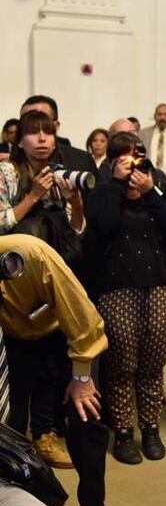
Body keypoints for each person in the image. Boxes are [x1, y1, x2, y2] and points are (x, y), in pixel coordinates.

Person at [0, 233, 114, 506]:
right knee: (9, 426)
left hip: (67, 336)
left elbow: (84, 320)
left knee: (85, 421)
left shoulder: (30, 254)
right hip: (14, 343)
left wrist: (81, 379)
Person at [85, 132, 166, 464]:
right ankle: (124, 431)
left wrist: (149, 191)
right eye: (125, 160)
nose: (133, 166)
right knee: (122, 364)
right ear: (114, 162)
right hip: (117, 291)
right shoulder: (103, 192)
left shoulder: (158, 189)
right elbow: (104, 225)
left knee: (153, 363)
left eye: (137, 158)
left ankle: (151, 427)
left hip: (160, 288)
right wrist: (116, 184)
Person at [0, 111, 87, 470]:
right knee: (20, 368)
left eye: (47, 133)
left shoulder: (61, 173)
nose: (41, 139)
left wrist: (77, 202)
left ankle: (46, 435)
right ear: (20, 141)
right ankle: (14, 444)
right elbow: (2, 223)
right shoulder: (7, 173)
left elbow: (78, 232)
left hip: (54, 281)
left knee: (53, 365)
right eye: (33, 133)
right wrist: (34, 194)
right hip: (16, 284)